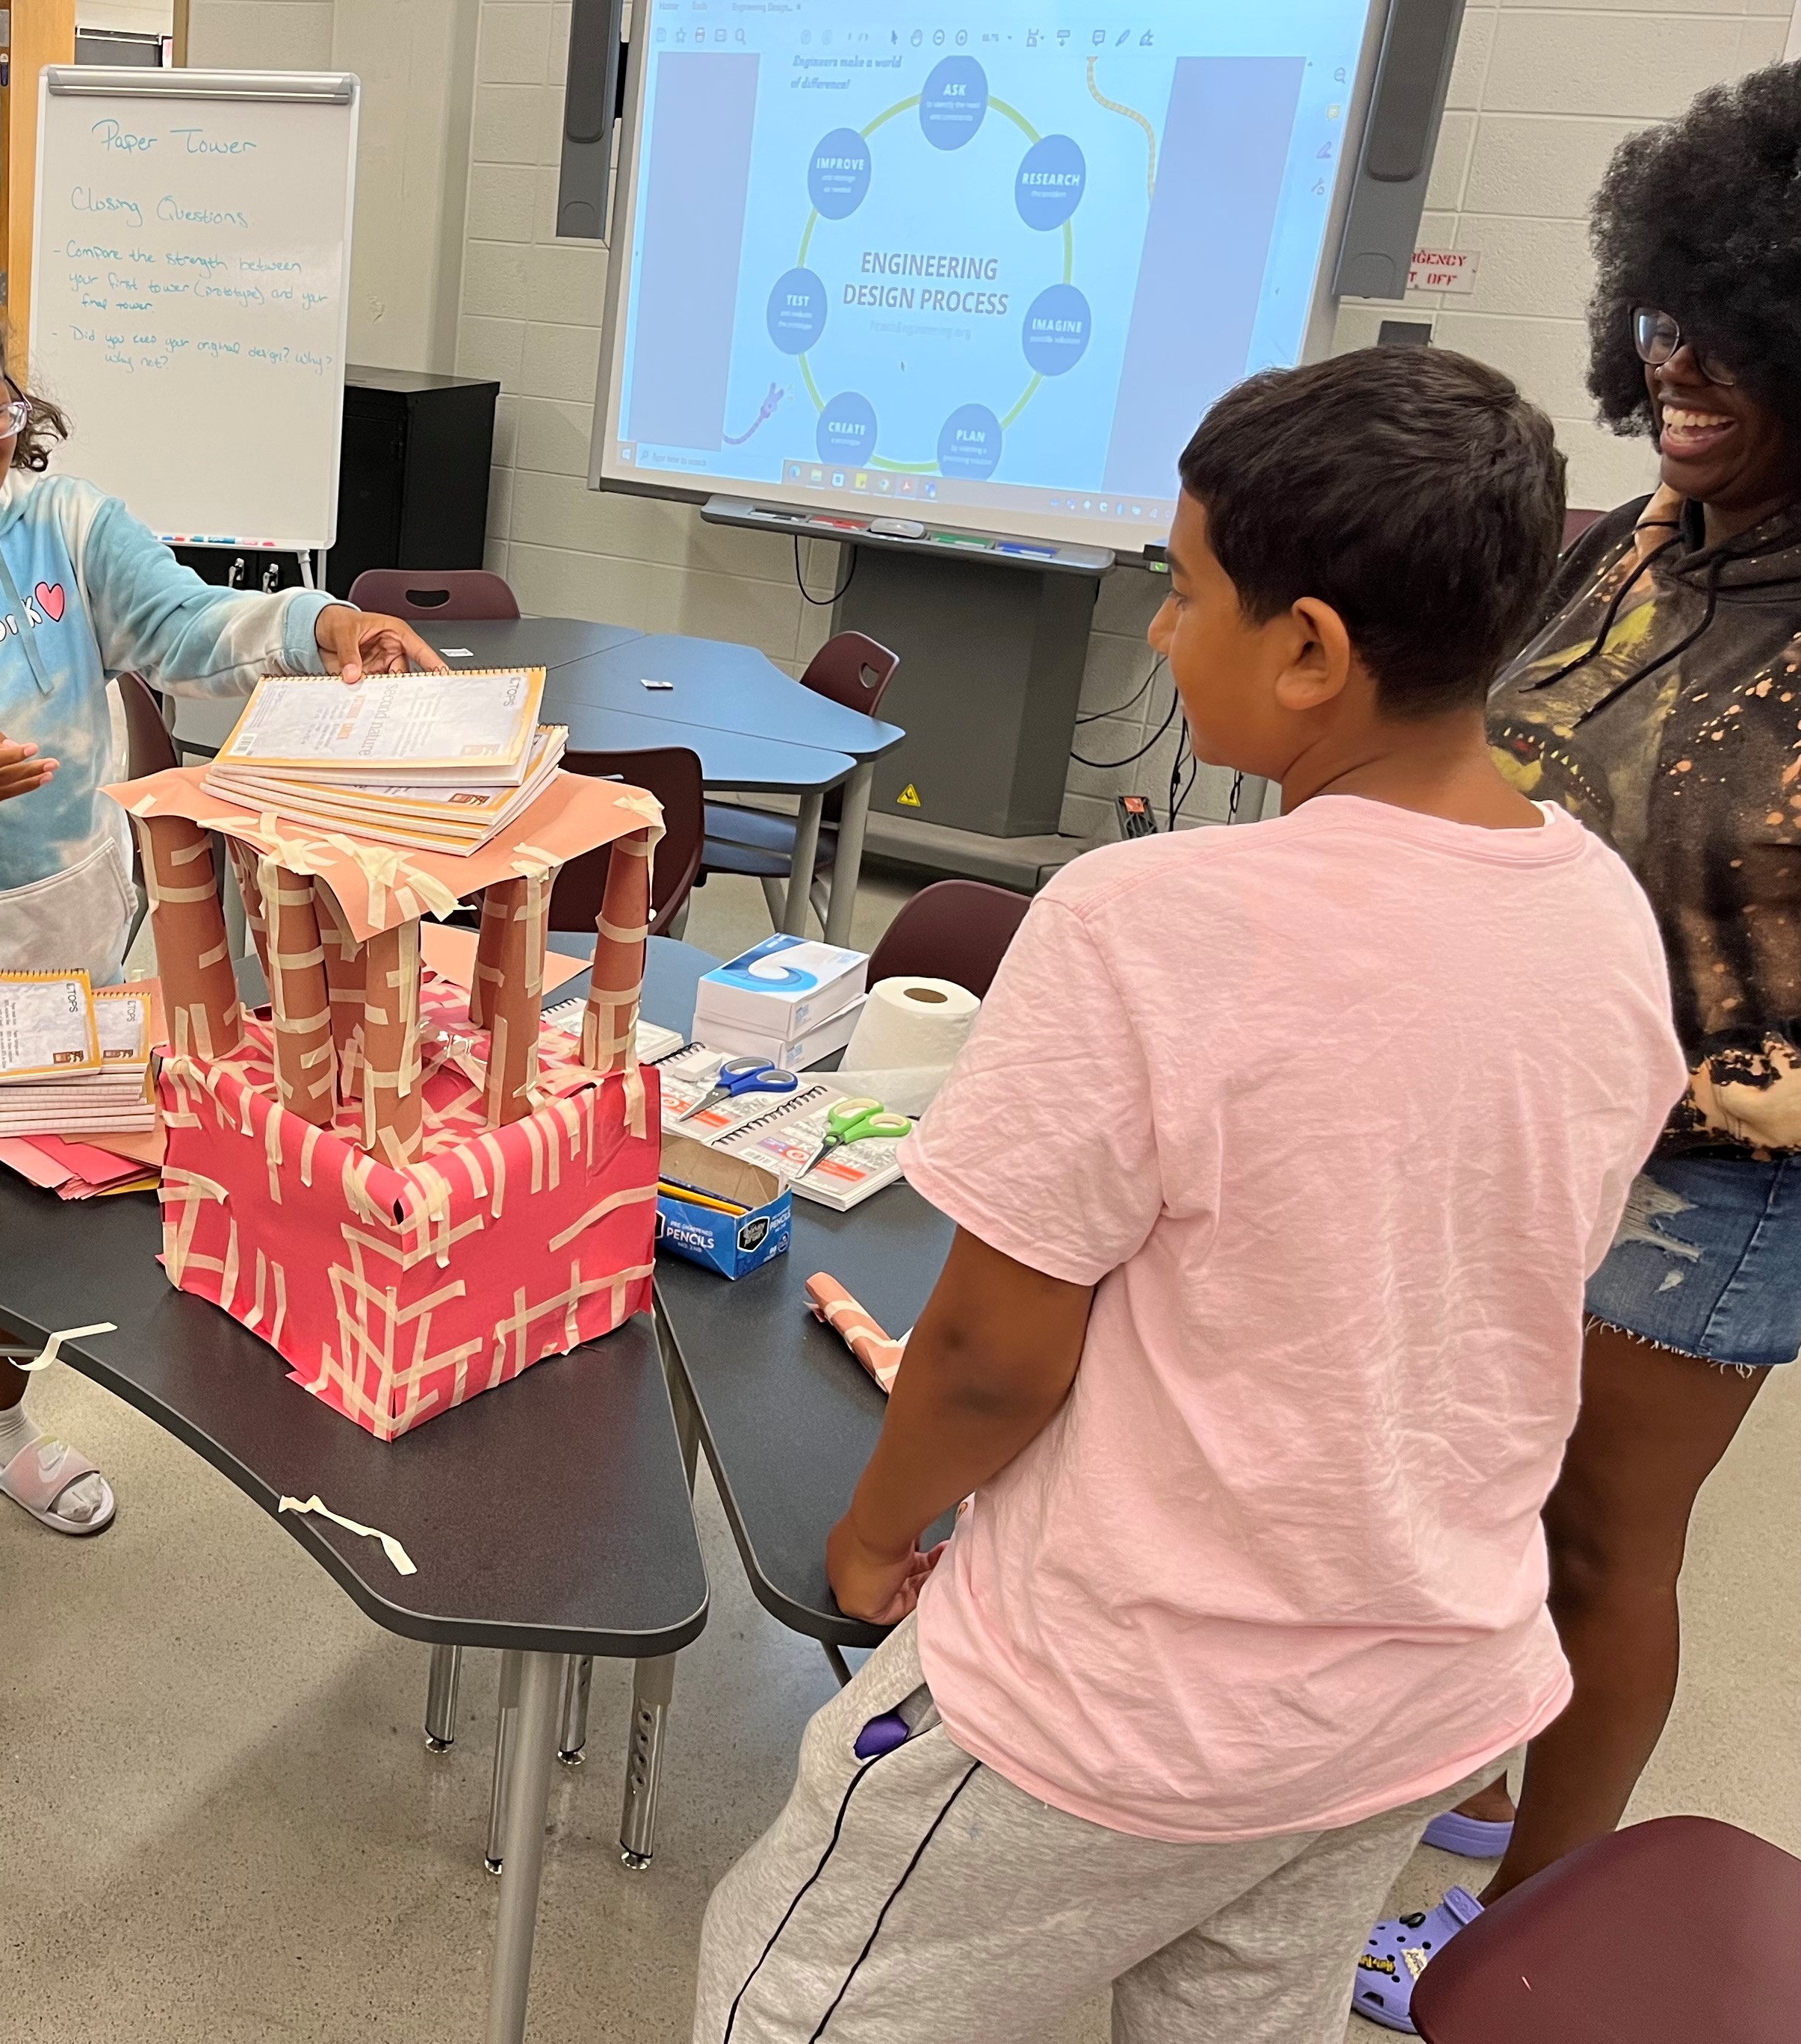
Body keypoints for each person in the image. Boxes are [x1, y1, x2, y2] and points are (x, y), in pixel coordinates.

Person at [692, 347, 1684, 2044]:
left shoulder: (1144, 919)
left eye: (1187, 588)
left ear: (1308, 650)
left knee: (792, 2000)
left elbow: (999, 1357)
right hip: (1421, 1694)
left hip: (1127, 1701)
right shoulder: (1604, 917)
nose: (1159, 629)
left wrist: (875, 1533)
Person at [0, 270, 443, 1629]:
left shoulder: (65, 524)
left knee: (53, 1235)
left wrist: (322, 624)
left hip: (86, 964)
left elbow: (183, 629)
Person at [1360, 61, 1801, 2008]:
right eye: (1664, 322)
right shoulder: (1625, 545)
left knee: (1610, 1543)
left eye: (1744, 340)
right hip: (1531, 1112)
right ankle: (1483, 1750)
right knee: (1498, 1478)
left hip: (1714, 1169)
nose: (1682, 367)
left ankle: (1533, 1920)